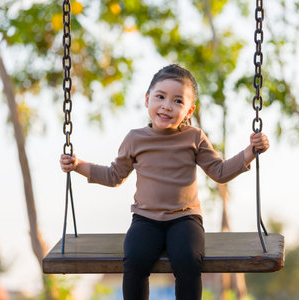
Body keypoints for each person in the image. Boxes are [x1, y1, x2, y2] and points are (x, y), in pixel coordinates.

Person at [60, 64, 270, 300]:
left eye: (178, 101)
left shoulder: (194, 137)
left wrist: (250, 151)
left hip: (185, 218)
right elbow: (114, 175)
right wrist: (77, 165)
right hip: (145, 220)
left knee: (188, 260)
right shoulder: (135, 139)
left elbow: (219, 171)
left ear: (189, 110)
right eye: (160, 97)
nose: (167, 106)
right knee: (135, 259)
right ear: (148, 99)